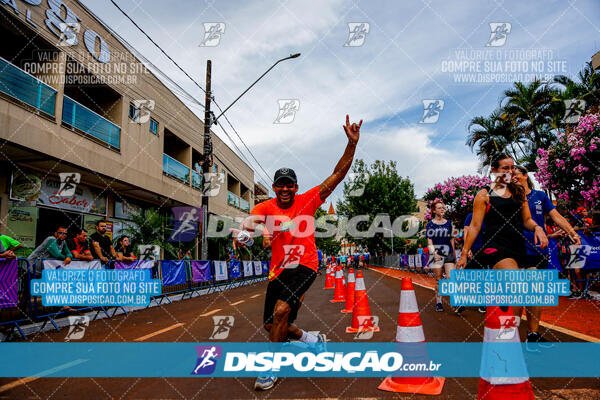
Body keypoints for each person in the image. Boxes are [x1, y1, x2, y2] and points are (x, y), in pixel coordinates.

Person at [233, 115, 361, 391]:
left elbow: (337, 175)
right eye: (281, 184)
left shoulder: (309, 200)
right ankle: (311, 340)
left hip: (305, 264)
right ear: (275, 187)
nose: (285, 188)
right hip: (278, 270)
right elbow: (250, 221)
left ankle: (270, 368)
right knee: (271, 325)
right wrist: (242, 233)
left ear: (296, 187)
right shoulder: (266, 207)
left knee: (282, 312)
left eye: (290, 184)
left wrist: (351, 145)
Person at [457, 154, 549, 320]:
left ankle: (532, 335)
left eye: (512, 167)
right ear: (494, 170)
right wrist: (464, 253)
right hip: (496, 246)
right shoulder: (484, 194)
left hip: (519, 245)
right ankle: (510, 332)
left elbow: (527, 220)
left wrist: (537, 228)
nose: (510, 171)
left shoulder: (519, 192)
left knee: (534, 287)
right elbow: (475, 226)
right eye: (505, 168)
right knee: (515, 284)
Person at [512, 165, 581, 344]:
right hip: (516, 249)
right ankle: (512, 334)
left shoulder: (540, 196)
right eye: (509, 175)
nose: (512, 177)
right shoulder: (509, 197)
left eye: (516, 174)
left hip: (538, 249)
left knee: (535, 293)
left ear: (525, 176)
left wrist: (572, 233)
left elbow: (556, 216)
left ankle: (533, 334)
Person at [27, 225, 74, 313]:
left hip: (44, 269)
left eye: (65, 234)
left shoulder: (63, 242)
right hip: (31, 267)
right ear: (56, 233)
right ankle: (24, 314)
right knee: (27, 292)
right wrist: (66, 258)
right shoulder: (51, 240)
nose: (63, 235)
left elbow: (69, 252)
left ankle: (57, 308)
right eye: (61, 233)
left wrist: (69, 257)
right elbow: (56, 254)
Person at [426, 201, 456, 312]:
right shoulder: (430, 224)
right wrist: (434, 253)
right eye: (439, 208)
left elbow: (452, 239)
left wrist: (453, 255)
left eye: (443, 208)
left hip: (448, 253)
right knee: (438, 279)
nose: (442, 209)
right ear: (434, 210)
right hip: (436, 253)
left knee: (451, 277)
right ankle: (439, 302)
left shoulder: (449, 223)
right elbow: (430, 242)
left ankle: (456, 302)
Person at [457, 212, 487, 313]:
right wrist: (467, 248)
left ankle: (483, 304)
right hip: (472, 249)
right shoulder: (471, 216)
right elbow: (466, 232)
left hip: (486, 250)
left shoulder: (489, 216)